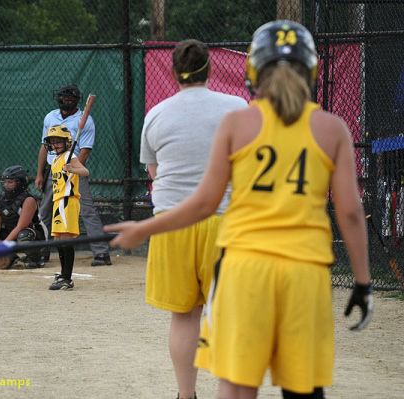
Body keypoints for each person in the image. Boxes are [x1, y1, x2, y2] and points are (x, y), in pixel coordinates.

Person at [106, 20, 373, 399]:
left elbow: (202, 203)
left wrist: (143, 228)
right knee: (303, 388)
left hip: (244, 268)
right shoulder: (331, 128)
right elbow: (348, 212)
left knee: (236, 382)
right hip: (304, 271)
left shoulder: (239, 122)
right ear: (311, 69)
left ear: (253, 71)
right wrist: (363, 282)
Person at [139, 39, 248, 399]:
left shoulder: (156, 113)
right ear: (210, 69)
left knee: (184, 316)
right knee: (226, 318)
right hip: (225, 221)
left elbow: (155, 173)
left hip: (172, 221)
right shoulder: (237, 107)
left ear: (173, 73)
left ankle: (186, 396)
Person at [35, 84, 112, 267]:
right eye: (64, 97)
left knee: (87, 211)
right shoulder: (50, 117)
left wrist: (72, 170)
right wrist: (39, 173)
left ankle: (101, 253)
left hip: (73, 170)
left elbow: (85, 150)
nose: (66, 100)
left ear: (77, 100)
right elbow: (43, 148)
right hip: (52, 169)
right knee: (45, 211)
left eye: (70, 98)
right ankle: (42, 253)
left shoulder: (85, 120)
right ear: (58, 98)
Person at [0, 165, 47, 270]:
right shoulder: (4, 198)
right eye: (5, 182)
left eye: (10, 182)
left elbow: (21, 226)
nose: (6, 185)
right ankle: (11, 257)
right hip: (10, 232)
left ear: (20, 183)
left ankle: (37, 258)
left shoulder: (28, 200)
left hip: (34, 235)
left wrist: (3, 246)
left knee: (24, 235)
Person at [42, 125, 89, 290]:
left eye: (58, 142)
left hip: (68, 201)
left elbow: (85, 172)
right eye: (52, 142)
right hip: (58, 201)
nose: (54, 145)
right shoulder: (55, 160)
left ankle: (67, 279)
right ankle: (63, 274)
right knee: (58, 240)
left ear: (67, 142)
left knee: (66, 240)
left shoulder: (70, 155)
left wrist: (72, 169)